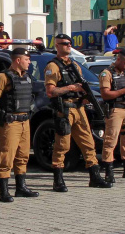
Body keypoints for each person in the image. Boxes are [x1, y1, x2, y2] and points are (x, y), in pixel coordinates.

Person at [45, 33, 110, 191]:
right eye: (64, 43)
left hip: (79, 108)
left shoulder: (75, 65)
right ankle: (58, 180)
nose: (67, 45)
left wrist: (84, 96)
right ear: (57, 46)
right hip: (65, 109)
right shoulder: (53, 66)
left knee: (88, 143)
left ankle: (94, 176)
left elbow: (81, 85)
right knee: (62, 145)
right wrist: (70, 88)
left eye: (69, 43)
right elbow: (50, 91)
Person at [0, 47, 40, 201]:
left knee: (23, 155)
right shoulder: (3, 77)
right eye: (27, 60)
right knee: (7, 155)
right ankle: (3, 191)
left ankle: (21, 187)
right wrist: (5, 112)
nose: (29, 62)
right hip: (11, 122)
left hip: (25, 121)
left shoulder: (28, 77)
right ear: (18, 60)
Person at [98, 48, 125, 183]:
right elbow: (105, 94)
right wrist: (124, 90)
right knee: (110, 140)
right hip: (115, 110)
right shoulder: (107, 74)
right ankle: (108, 170)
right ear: (118, 60)